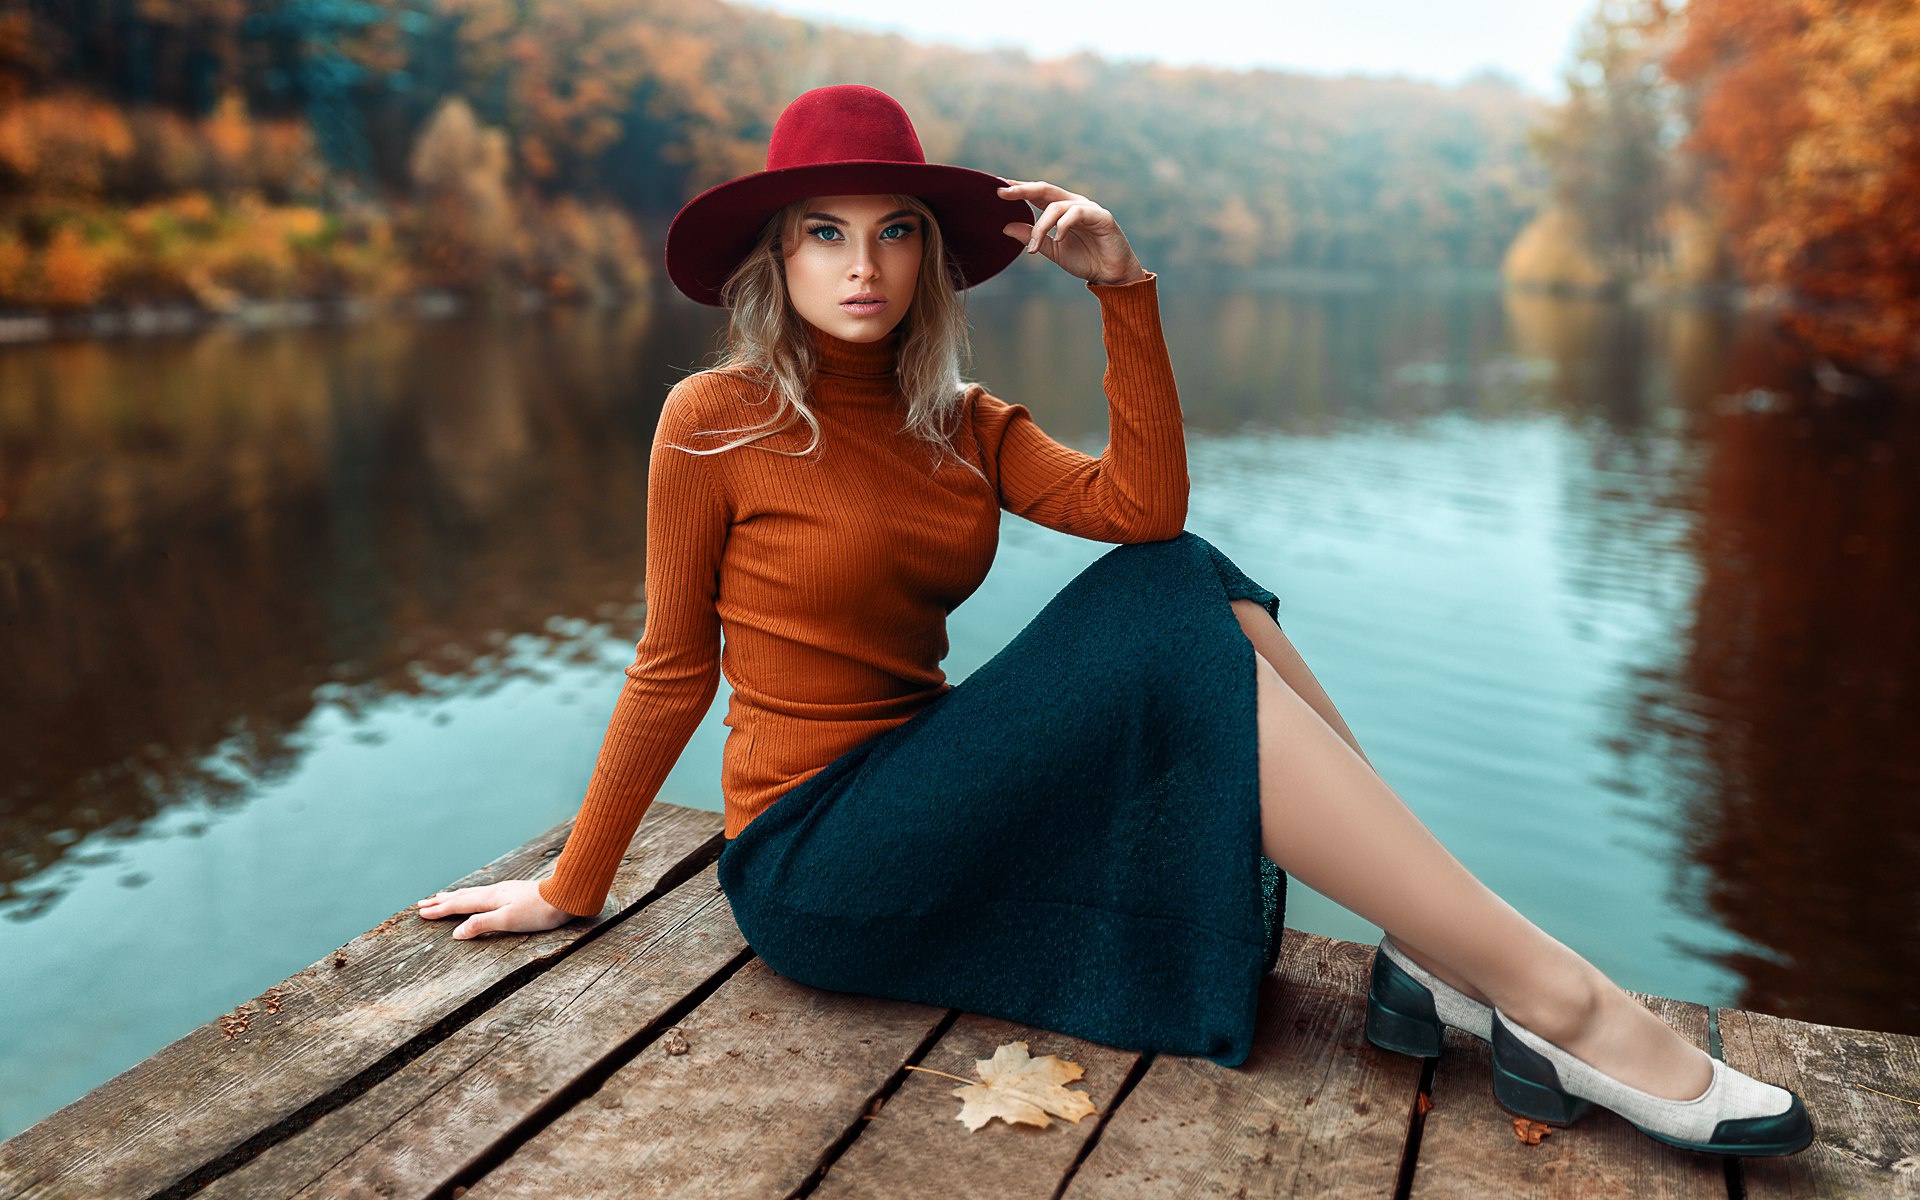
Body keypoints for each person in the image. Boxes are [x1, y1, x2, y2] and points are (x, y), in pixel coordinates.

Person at [416, 84, 1812, 1158]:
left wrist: (1120, 290)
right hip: (816, 862)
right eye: (825, 233)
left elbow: (1146, 512)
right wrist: (574, 884)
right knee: (1157, 612)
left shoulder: (958, 423)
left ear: (932, 264)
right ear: (773, 260)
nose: (864, 264)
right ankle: (1561, 1006)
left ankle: (1447, 959)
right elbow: (671, 667)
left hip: (932, 785)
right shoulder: (708, 424)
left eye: (895, 233)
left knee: (1182, 572)